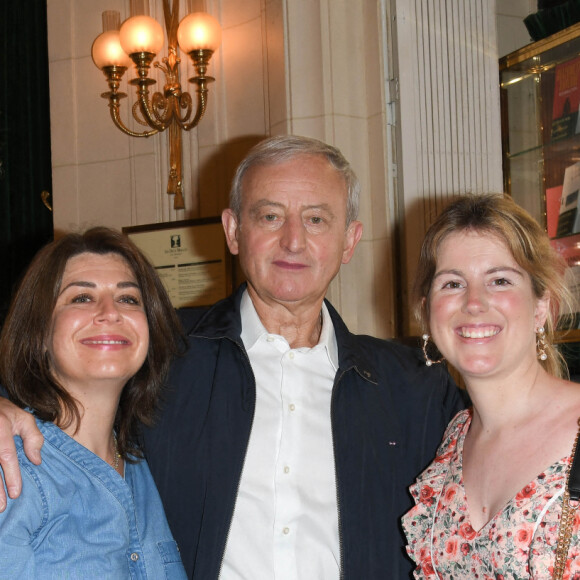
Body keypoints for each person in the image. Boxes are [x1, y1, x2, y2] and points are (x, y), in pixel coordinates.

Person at [0, 135, 464, 579]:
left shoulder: (414, 387)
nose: (294, 241)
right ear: (233, 230)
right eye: (269, 216)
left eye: (318, 219)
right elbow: (60, 372)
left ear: (350, 240)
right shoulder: (161, 349)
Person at [402, 193, 580, 578]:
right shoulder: (453, 440)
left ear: (540, 306)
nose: (475, 302)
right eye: (452, 284)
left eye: (499, 280)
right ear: (427, 311)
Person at [0, 228, 187, 578]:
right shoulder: (14, 470)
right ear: (39, 334)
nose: (109, 312)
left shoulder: (149, 464)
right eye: (82, 298)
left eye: (128, 299)